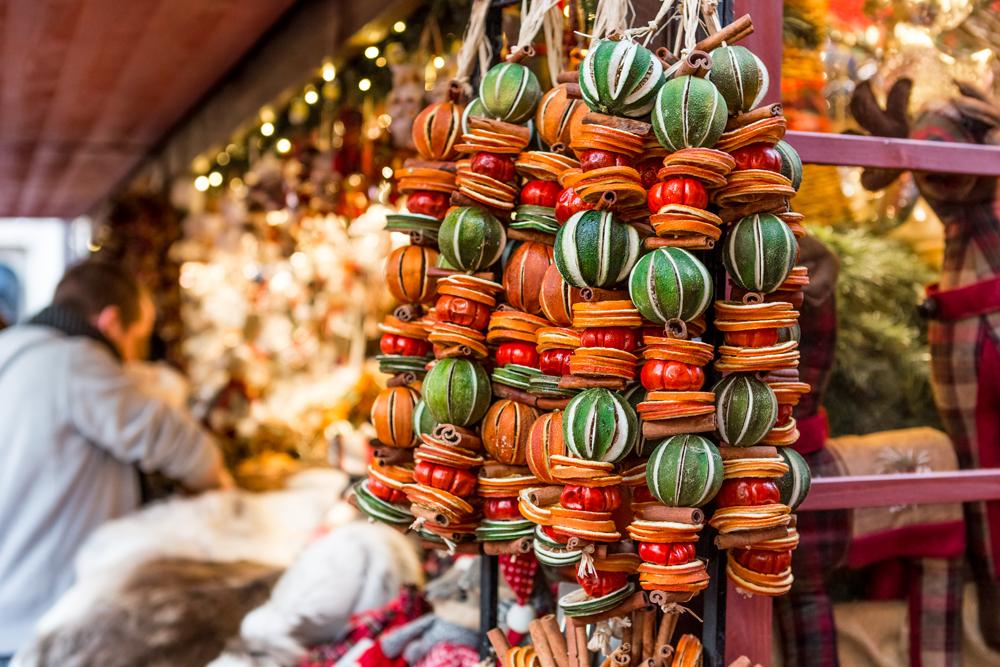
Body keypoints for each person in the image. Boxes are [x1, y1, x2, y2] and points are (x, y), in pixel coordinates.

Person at [0, 261, 227, 663]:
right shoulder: (73, 362)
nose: (132, 360)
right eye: (137, 341)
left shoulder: (18, 350)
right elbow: (169, 438)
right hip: (40, 618)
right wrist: (222, 485)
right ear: (110, 323)